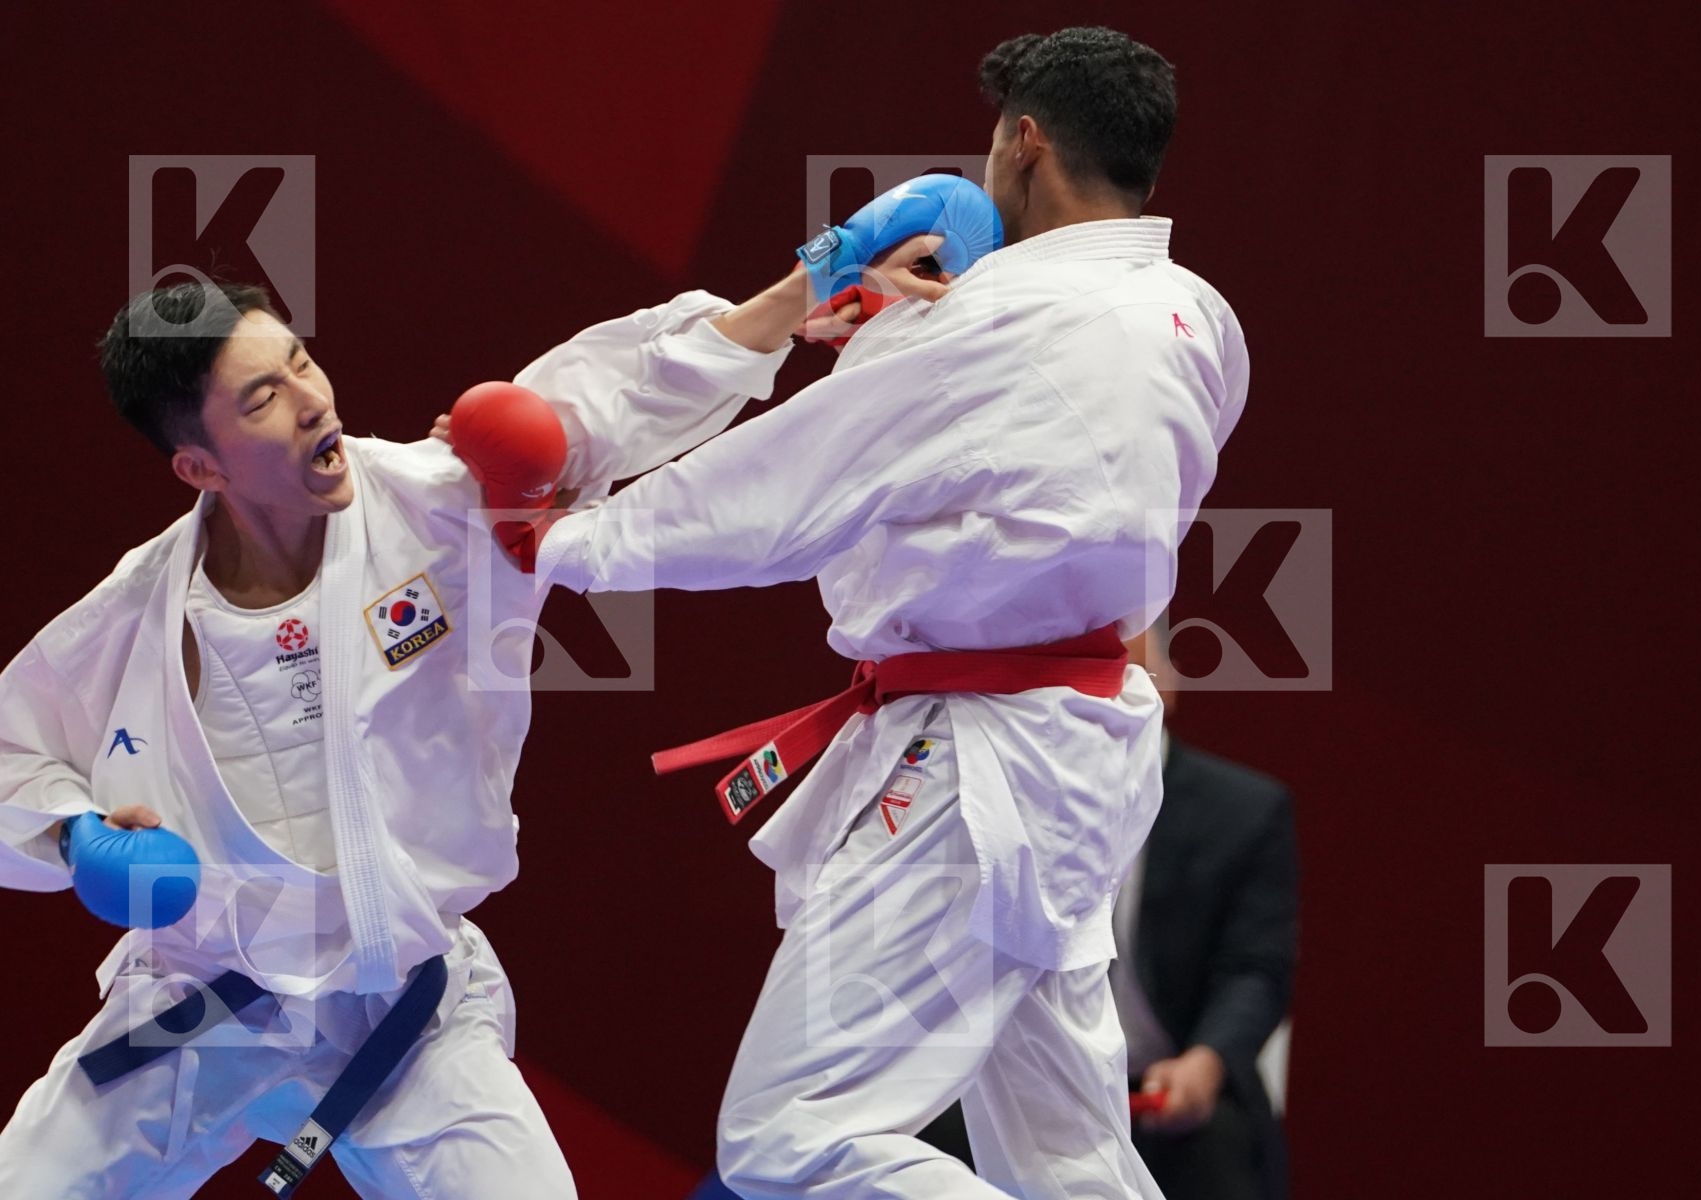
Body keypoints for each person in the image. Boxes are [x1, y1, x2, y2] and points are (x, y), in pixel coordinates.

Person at [532, 26, 1251, 1199]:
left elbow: (784, 495)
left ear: (1024, 142)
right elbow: (1044, 480)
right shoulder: (1203, 320)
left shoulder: (988, 320)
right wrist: (904, 358)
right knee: (1069, 1158)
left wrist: (566, 544)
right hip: (1087, 755)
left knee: (789, 1137)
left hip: (981, 768)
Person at [0, 273, 803, 1195]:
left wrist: (806, 284)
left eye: (301, 362)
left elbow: (610, 397)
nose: (311, 403)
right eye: (264, 399)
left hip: (408, 1012)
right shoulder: (136, 611)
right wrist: (75, 833)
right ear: (201, 468)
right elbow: (12, 754)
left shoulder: (436, 501)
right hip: (204, 1002)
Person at [918, 629, 1300, 1199]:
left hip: (1172, 1086)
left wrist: (1206, 1062)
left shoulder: (1246, 812)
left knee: (1218, 1145)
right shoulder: (998, 805)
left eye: (1123, 684)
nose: (1101, 709)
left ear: (1165, 687)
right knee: (921, 1134)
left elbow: (1255, 970)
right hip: (1029, 1081)